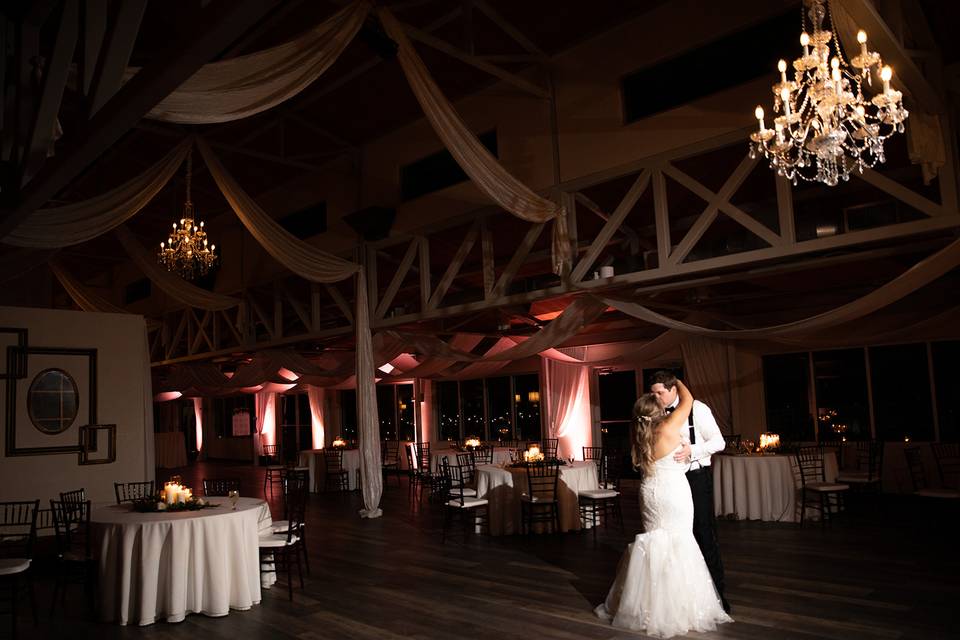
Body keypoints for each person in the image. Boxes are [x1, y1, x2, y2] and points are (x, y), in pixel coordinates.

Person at [595, 380, 732, 637]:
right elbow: (688, 399)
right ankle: (680, 608)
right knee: (680, 543)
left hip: (649, 493)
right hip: (674, 492)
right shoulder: (670, 427)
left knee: (655, 543)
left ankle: (647, 606)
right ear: (659, 411)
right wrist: (674, 381)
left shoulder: (638, 434)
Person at [650, 371, 730, 613]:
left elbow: (719, 442)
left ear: (674, 389)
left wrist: (691, 451)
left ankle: (717, 596)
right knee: (676, 538)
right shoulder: (652, 413)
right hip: (669, 483)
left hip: (695, 478)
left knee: (704, 534)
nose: (656, 397)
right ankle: (678, 597)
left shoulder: (698, 409)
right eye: (652, 393)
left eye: (660, 392)